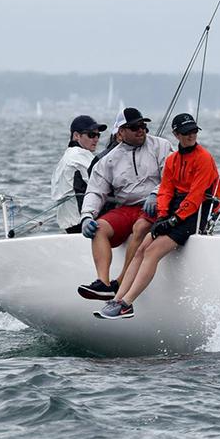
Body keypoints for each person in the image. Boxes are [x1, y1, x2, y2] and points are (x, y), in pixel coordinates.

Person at [96, 113, 220, 320]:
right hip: (175, 210)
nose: (191, 136)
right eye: (185, 132)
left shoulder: (204, 158)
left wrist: (174, 220)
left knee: (152, 252)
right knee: (140, 250)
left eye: (193, 132)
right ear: (176, 134)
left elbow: (196, 195)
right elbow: (165, 189)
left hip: (196, 212)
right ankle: (117, 300)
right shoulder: (173, 159)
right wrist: (163, 216)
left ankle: (127, 304)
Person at [76, 107, 172, 300]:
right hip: (127, 208)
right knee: (99, 228)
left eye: (143, 126)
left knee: (140, 227)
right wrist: (86, 216)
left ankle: (120, 282)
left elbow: (171, 177)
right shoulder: (108, 160)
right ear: (121, 132)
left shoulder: (161, 146)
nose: (141, 130)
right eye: (134, 127)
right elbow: (95, 190)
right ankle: (102, 283)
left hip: (157, 204)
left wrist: (155, 194)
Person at [50, 115, 106, 233]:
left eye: (98, 135)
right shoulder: (79, 156)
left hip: (68, 223)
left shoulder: (67, 156)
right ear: (76, 136)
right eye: (91, 135)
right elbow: (105, 182)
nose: (96, 139)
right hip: (82, 223)